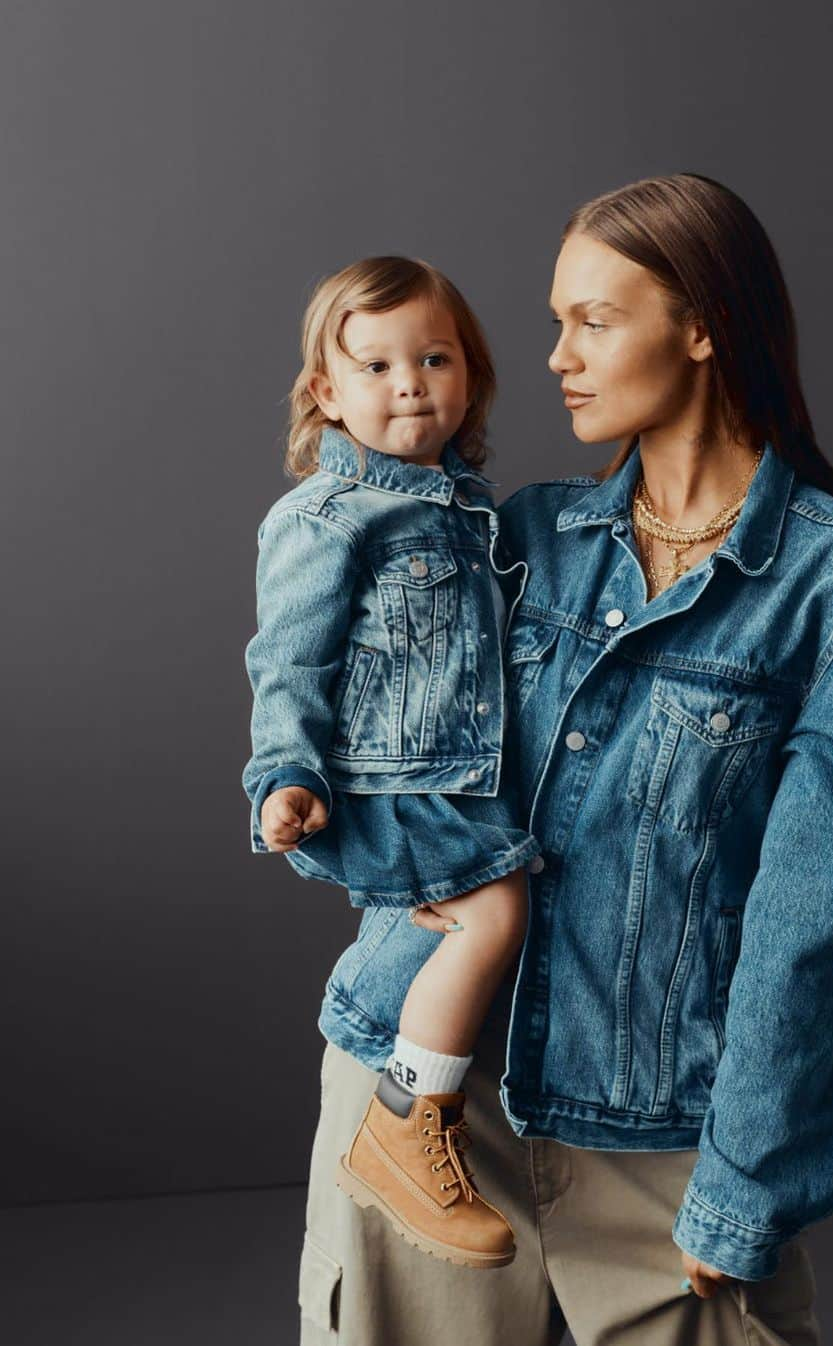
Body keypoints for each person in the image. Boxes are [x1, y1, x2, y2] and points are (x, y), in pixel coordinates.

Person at [296, 174, 833, 1346]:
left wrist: (747, 1178)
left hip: (661, 1133)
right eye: (555, 322)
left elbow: (818, 928)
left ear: (701, 326)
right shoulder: (511, 540)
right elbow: (352, 704)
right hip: (425, 1104)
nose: (555, 355)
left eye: (594, 321)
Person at [242, 256, 546, 1269]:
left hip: (453, 777)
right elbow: (288, 660)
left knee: (486, 912)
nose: (408, 381)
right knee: (493, 910)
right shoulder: (324, 515)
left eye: (433, 357)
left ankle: (404, 1081)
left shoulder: (469, 510)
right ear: (326, 391)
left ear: (470, 377)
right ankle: (407, 1120)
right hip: (380, 784)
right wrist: (285, 774)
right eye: (374, 364)